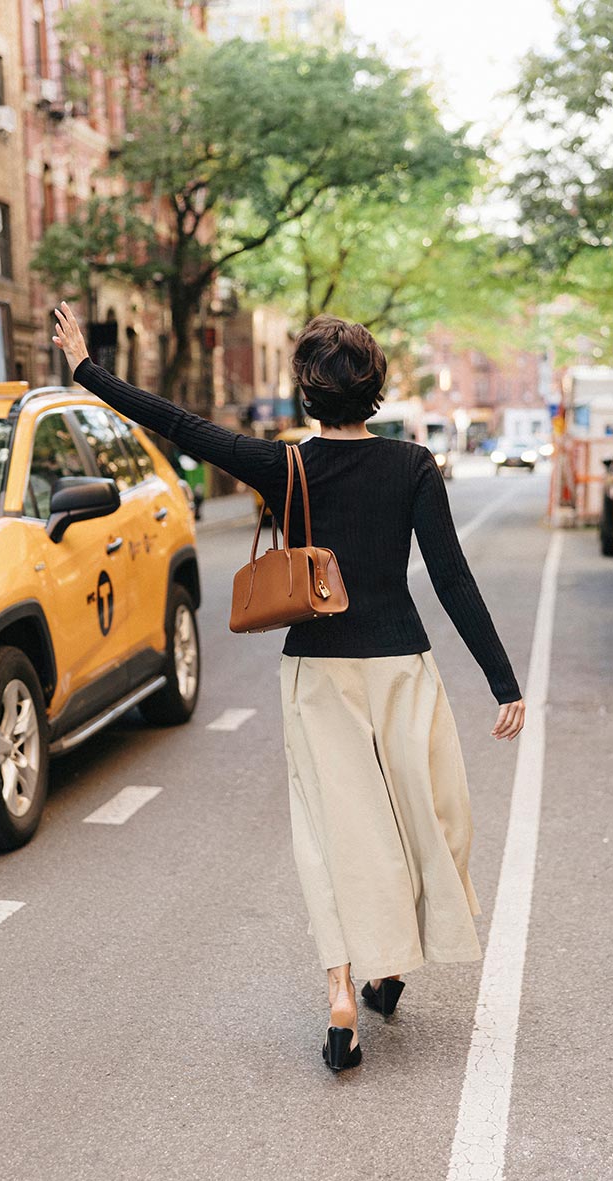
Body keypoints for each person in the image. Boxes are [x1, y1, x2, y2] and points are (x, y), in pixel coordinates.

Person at [53, 304, 525, 1076]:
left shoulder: (286, 464)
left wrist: (85, 369)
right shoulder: (412, 466)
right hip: (403, 669)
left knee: (336, 829)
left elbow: (179, 423)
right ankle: (387, 965)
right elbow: (451, 578)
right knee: (424, 819)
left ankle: (345, 990)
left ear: (307, 392)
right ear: (375, 388)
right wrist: (501, 679)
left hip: (319, 674)